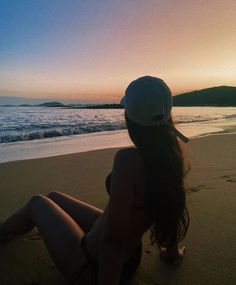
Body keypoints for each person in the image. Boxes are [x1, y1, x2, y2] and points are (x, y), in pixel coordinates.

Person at [0, 76, 190, 285]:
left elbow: (113, 243)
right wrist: (172, 253)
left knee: (37, 203)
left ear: (130, 117)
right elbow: (171, 207)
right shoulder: (171, 156)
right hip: (130, 256)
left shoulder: (128, 161)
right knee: (54, 198)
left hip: (91, 266)